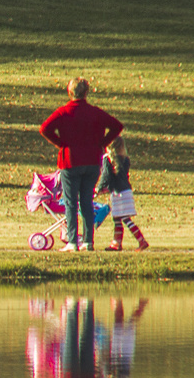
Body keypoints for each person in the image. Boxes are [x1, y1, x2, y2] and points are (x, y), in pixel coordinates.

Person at [39, 77, 124, 252]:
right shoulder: (95, 112)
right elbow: (117, 126)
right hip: (92, 161)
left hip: (70, 161)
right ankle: (88, 241)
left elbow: (44, 128)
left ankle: (72, 242)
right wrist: (102, 143)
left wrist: (60, 143)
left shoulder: (64, 112)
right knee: (86, 201)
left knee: (71, 202)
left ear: (69, 92)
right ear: (86, 92)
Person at [98, 138, 149, 251]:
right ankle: (116, 243)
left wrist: (99, 188)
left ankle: (141, 240)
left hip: (118, 193)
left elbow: (106, 175)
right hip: (126, 190)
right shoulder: (125, 159)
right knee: (117, 218)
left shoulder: (108, 159)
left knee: (125, 218)